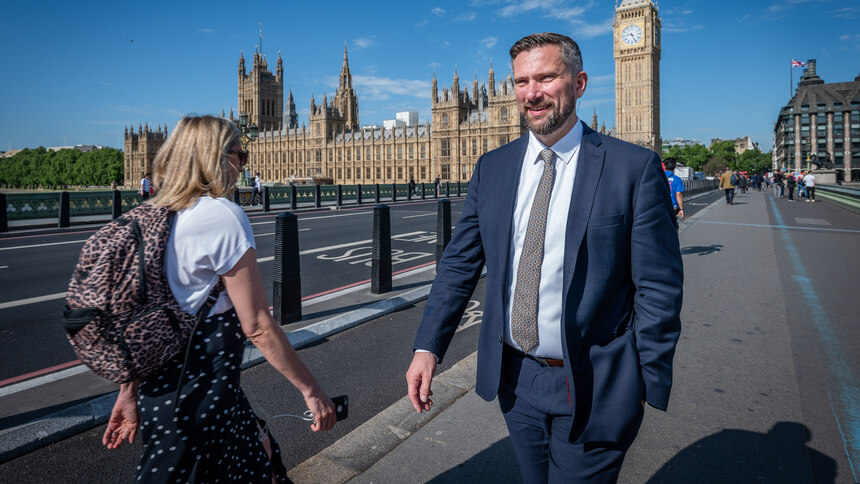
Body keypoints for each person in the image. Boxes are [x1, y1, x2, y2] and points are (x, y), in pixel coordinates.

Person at [405, 33, 683, 483]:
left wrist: (645, 375)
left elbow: (659, 285)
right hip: (517, 383)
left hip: (595, 383)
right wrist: (427, 346)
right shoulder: (492, 169)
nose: (532, 92)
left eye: (546, 77)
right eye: (521, 81)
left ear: (579, 83)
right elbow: (458, 266)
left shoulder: (632, 167)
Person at [103, 116, 336, 482]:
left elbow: (142, 321)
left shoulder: (152, 215)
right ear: (215, 158)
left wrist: (128, 391)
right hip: (199, 397)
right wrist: (312, 390)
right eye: (239, 155)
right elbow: (257, 326)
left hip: (172, 393)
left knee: (266, 458)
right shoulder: (222, 215)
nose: (244, 163)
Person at [663, 158, 685, 228]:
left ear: (664, 166)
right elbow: (678, 195)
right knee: (673, 228)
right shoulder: (677, 179)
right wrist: (681, 209)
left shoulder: (659, 177)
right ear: (675, 167)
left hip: (660, 207)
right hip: (673, 208)